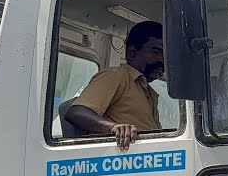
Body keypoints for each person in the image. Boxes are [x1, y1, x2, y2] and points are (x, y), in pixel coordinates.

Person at [64, 20, 166, 150]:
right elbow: (76, 112)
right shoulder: (116, 76)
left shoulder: (146, 90)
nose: (161, 60)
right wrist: (114, 127)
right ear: (132, 53)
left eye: (164, 54)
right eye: (156, 51)